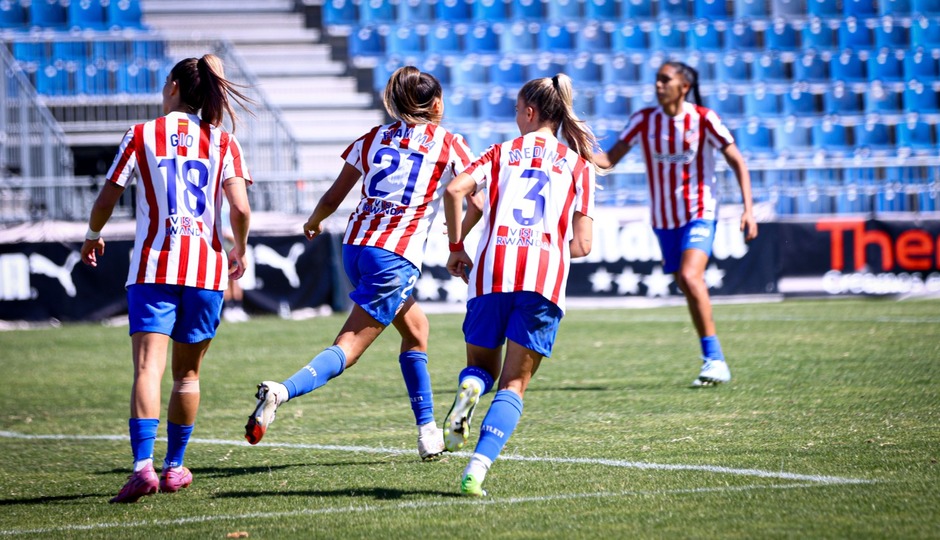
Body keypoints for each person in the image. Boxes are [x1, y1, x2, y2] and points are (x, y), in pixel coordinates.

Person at [244, 66, 475, 461]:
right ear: (437, 104)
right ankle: (281, 391)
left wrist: (314, 221)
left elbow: (334, 196)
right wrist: (457, 243)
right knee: (348, 347)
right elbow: (475, 199)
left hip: (355, 249)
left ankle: (427, 433)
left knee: (417, 329)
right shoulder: (450, 143)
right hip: (394, 257)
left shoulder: (372, 138)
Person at [80, 54, 253, 503]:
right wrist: (239, 248)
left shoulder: (141, 134)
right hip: (206, 271)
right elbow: (240, 208)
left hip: (154, 267)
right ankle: (174, 467)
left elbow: (107, 197)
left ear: (173, 86)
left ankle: (143, 467)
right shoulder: (224, 141)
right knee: (187, 376)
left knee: (147, 368)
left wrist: (93, 235)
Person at [441, 73, 599, 496]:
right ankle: (477, 469)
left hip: (492, 271)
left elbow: (455, 190)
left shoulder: (500, 152)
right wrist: (551, 248)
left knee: (482, 369)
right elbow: (583, 245)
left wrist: (456, 246)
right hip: (543, 281)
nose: (515, 117)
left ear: (529, 112)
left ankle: (472, 386)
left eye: (516, 110)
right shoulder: (580, 166)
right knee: (514, 384)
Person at [593, 61, 758, 387]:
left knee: (690, 276)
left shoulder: (704, 119)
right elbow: (608, 161)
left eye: (665, 80)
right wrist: (572, 148)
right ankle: (712, 358)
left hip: (700, 211)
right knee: (685, 281)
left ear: (684, 87)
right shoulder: (644, 120)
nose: (658, 85)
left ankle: (715, 360)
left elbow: (737, 160)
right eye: (656, 79)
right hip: (664, 220)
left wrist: (748, 210)